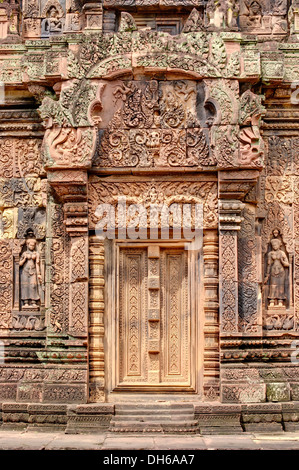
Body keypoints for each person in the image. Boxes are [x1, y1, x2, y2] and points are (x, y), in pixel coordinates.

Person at [264, 238, 289, 307]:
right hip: (273, 271)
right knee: (273, 286)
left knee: (281, 286)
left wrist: (282, 261)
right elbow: (268, 265)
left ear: (279, 245)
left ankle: (280, 300)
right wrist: (267, 275)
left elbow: (288, 264)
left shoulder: (282, 253)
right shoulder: (270, 253)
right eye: (273, 245)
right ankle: (272, 300)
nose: (274, 246)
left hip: (281, 271)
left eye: (276, 245)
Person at [20, 238, 42, 308]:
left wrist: (39, 274)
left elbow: (38, 264)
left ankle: (33, 301)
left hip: (33, 271)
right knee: (25, 286)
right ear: (27, 245)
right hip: (25, 272)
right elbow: (19, 264)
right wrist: (24, 259)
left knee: (33, 286)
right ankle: (26, 302)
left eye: (33, 246)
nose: (32, 247)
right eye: (31, 245)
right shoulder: (24, 253)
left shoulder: (36, 253)